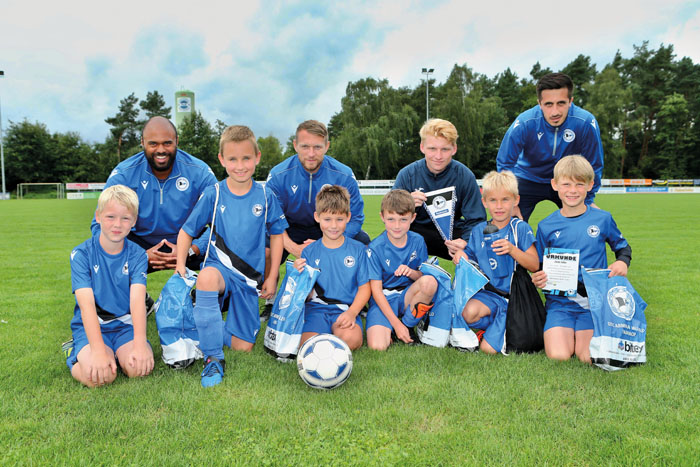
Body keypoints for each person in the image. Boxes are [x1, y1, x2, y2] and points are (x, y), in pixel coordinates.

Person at [176, 125, 287, 388]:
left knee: (243, 346)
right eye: (233, 159)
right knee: (206, 278)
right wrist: (180, 264)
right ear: (222, 160)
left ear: (257, 157)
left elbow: (277, 236)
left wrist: (272, 277)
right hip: (220, 269)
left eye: (246, 158)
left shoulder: (265, 195)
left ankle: (202, 329)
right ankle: (213, 359)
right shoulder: (214, 194)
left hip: (250, 280)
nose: (240, 165)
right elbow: (186, 231)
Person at [263, 119, 370, 318]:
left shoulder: (344, 174)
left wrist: (326, 243)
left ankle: (356, 298)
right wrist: (295, 249)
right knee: (265, 248)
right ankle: (271, 299)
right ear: (295, 145)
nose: (311, 154)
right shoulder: (278, 175)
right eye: (305, 147)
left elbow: (355, 219)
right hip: (289, 228)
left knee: (363, 244)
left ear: (327, 146)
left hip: (330, 227)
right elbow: (271, 222)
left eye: (317, 147)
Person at [531, 156, 631, 363]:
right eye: (566, 184)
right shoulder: (546, 225)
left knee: (587, 357)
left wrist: (622, 262)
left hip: (592, 303)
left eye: (579, 184)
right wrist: (538, 277)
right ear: (555, 185)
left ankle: (585, 332)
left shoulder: (602, 218)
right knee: (559, 356)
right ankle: (564, 329)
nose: (572, 190)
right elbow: (539, 264)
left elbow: (622, 247)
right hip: (560, 303)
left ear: (590, 185)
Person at [93, 116, 217, 275]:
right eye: (153, 143)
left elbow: (222, 221)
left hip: (190, 243)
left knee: (231, 253)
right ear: (142, 142)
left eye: (167, 143)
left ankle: (208, 297)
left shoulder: (199, 172)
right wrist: (137, 255)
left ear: (177, 141)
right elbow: (100, 226)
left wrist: (192, 250)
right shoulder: (124, 174)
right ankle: (137, 298)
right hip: (140, 244)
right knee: (99, 259)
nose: (161, 150)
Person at [66, 185, 154, 387]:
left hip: (125, 326)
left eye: (125, 218)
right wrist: (97, 351)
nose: (117, 224)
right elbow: (86, 305)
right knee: (99, 378)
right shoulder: (81, 254)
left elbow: (137, 301)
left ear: (133, 222)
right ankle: (74, 352)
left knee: (139, 370)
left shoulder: (138, 254)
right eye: (110, 217)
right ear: (98, 216)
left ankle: (116, 353)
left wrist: (140, 345)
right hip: (93, 326)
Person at [496, 72, 604, 222]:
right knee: (507, 222)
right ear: (539, 103)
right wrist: (510, 200)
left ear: (570, 101)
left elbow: (594, 165)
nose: (555, 112)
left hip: (567, 180)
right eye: (548, 104)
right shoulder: (525, 122)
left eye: (561, 103)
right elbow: (505, 162)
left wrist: (587, 200)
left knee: (586, 223)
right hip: (527, 178)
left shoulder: (585, 122)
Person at [452, 171, 539, 353]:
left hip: (515, 299)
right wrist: (461, 255)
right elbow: (469, 255)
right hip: (490, 295)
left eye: (505, 200)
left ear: (516, 200)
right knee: (467, 313)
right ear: (485, 202)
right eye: (493, 200)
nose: (499, 206)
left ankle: (503, 326)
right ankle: (495, 325)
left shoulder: (520, 228)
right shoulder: (479, 230)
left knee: (487, 350)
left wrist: (512, 250)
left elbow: (534, 264)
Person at [393, 118, 486, 260]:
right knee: (389, 242)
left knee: (486, 240)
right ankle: (402, 281)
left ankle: (477, 281)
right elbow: (391, 215)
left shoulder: (464, 176)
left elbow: (476, 219)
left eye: (445, 149)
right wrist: (406, 204)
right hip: (416, 232)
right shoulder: (407, 175)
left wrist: (466, 240)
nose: (438, 156)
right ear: (422, 147)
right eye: (432, 149)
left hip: (452, 233)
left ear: (454, 149)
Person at [292, 185, 370, 351]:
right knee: (306, 346)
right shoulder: (309, 251)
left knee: (352, 340)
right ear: (317, 217)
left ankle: (333, 336)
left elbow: (365, 287)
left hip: (344, 309)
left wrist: (352, 313)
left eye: (339, 219)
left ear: (348, 217)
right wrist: (297, 277)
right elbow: (304, 295)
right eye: (327, 219)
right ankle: (322, 336)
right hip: (316, 309)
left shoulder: (358, 250)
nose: (333, 226)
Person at [366, 189, 437, 350]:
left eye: (403, 219)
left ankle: (409, 325)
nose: (397, 226)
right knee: (377, 347)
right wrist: (395, 324)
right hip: (383, 299)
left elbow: (421, 276)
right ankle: (395, 327)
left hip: (407, 295)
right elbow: (376, 291)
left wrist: (411, 272)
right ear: (382, 217)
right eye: (391, 219)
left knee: (429, 282)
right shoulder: (375, 248)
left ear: (412, 218)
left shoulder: (418, 241)